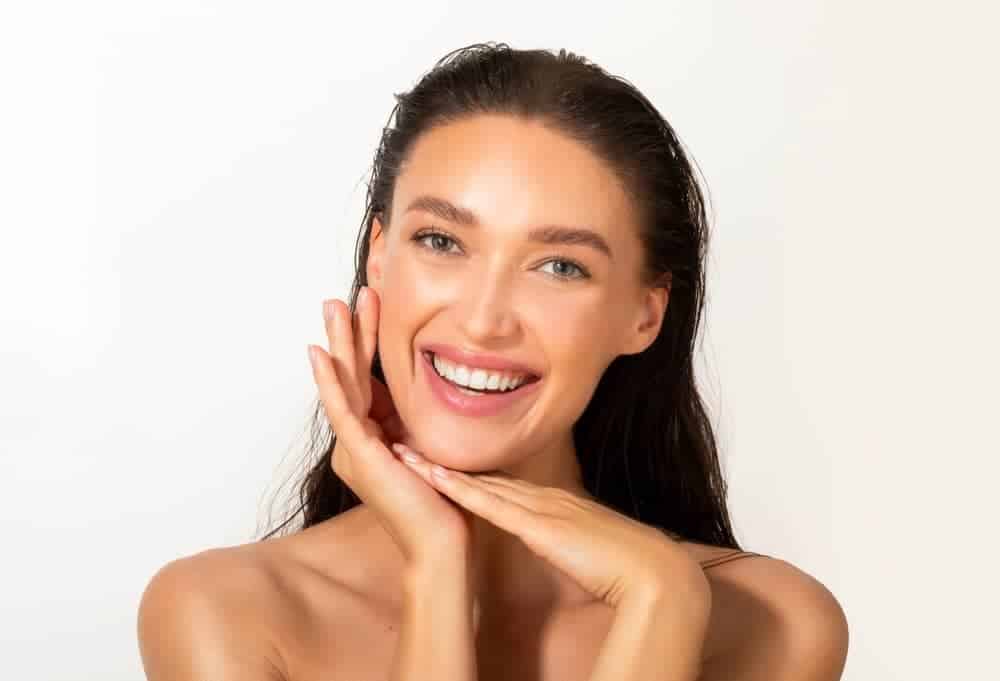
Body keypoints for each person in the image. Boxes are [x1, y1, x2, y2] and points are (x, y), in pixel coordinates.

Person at [137, 43, 849, 681]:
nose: (483, 318)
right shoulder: (225, 611)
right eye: (442, 241)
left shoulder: (771, 625)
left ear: (644, 314)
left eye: (561, 266)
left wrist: (661, 599)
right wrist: (436, 567)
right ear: (379, 256)